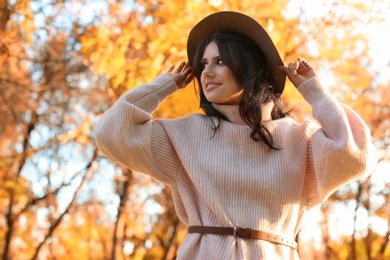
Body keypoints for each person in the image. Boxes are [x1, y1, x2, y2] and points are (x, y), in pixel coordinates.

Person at [95, 11, 378, 259]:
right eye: (203, 64)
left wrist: (315, 92)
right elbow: (111, 133)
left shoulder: (298, 139)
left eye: (220, 61)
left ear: (249, 68)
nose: (206, 72)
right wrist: (162, 87)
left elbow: (357, 155)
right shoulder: (184, 134)